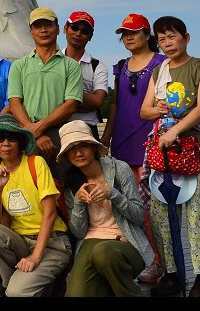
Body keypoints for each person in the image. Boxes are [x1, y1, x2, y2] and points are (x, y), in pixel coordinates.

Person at [141, 16, 200, 298]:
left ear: (186, 37)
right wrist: (159, 111)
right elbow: (144, 111)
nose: (167, 44)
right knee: (161, 214)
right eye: (161, 39)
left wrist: (175, 131)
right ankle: (172, 274)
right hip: (163, 151)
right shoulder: (159, 71)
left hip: (194, 148)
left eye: (172, 37)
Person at [100, 12, 166, 284]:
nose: (128, 37)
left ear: (147, 34)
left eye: (134, 32)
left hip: (151, 140)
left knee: (154, 209)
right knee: (129, 205)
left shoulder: (163, 63)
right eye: (124, 33)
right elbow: (115, 106)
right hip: (124, 142)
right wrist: (107, 139)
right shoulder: (121, 66)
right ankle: (140, 258)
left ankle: (160, 262)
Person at [0, 113, 72, 297]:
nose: (5, 143)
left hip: (52, 243)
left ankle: (18, 285)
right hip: (21, 242)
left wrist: (35, 257)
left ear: (20, 141)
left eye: (11, 137)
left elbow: (50, 214)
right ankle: (11, 282)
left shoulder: (36, 163)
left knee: (17, 293)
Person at [57, 120, 150, 297]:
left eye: (83, 146)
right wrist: (78, 203)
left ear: (93, 147)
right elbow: (78, 232)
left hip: (126, 241)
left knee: (104, 253)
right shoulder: (71, 183)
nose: (78, 153)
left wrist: (113, 194)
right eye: (71, 149)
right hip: (91, 241)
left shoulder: (119, 169)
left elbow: (139, 216)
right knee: (75, 294)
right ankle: (107, 286)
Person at [7, 7, 83, 175]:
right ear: (31, 31)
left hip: (59, 131)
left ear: (57, 29)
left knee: (62, 185)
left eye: (47, 25)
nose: (43, 30)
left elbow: (71, 105)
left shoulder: (70, 66)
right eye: (37, 26)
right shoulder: (19, 66)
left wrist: (38, 128)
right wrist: (34, 133)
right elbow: (14, 102)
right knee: (29, 184)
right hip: (26, 129)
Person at [62, 11, 109, 140]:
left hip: (87, 128)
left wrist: (64, 94)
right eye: (75, 28)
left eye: (85, 31)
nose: (78, 33)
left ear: (91, 36)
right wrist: (83, 100)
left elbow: (98, 101)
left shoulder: (98, 66)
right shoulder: (52, 61)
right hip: (58, 126)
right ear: (65, 28)